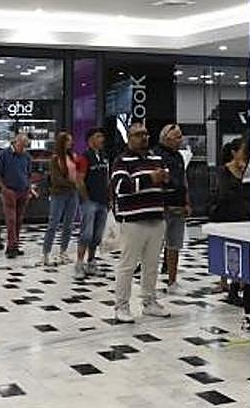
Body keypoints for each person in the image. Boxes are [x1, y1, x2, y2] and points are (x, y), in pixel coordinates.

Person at [111, 123, 171, 324]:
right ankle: (121, 306)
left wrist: (164, 178)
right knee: (127, 265)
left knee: (152, 265)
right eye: (138, 134)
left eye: (145, 134)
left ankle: (150, 302)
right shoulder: (122, 161)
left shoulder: (156, 158)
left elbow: (165, 184)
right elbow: (121, 187)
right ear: (129, 138)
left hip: (156, 218)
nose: (143, 138)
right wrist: (149, 179)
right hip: (134, 221)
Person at [213, 138, 250, 328]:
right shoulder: (223, 171)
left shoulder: (247, 169)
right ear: (234, 152)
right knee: (231, 253)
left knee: (245, 255)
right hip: (228, 217)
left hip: (245, 216)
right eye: (242, 151)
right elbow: (224, 194)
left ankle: (238, 287)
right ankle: (230, 286)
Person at [157, 124, 190, 293]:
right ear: (167, 138)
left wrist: (186, 202)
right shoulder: (157, 155)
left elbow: (183, 180)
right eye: (177, 137)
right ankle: (148, 283)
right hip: (162, 207)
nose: (180, 140)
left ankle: (172, 281)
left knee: (174, 245)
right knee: (155, 245)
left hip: (177, 206)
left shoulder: (178, 156)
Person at [75, 128, 109, 277]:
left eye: (102, 136)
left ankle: (91, 261)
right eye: (98, 136)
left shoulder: (103, 156)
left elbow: (106, 178)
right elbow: (79, 180)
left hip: (103, 200)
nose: (102, 139)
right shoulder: (84, 157)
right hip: (90, 201)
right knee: (86, 234)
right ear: (90, 140)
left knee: (97, 235)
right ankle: (79, 263)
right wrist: (86, 198)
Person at [42, 132, 80, 266]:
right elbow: (56, 179)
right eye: (68, 140)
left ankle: (63, 252)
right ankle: (46, 253)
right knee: (53, 223)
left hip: (73, 194)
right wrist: (73, 183)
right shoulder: (55, 159)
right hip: (59, 193)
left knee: (68, 225)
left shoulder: (72, 156)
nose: (71, 143)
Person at [0, 132, 34, 259]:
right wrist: (4, 189)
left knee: (18, 220)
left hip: (23, 190)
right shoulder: (4, 154)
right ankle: (12, 246)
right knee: (11, 220)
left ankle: (14, 245)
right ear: (15, 143)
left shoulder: (26, 156)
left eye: (25, 146)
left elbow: (28, 174)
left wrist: (29, 188)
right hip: (9, 190)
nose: (23, 149)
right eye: (21, 146)